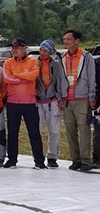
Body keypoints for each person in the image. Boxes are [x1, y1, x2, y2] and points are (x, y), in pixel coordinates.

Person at [3, 38, 46, 169]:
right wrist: (23, 77)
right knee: (12, 133)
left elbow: (33, 75)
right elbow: (6, 78)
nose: (14, 50)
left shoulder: (33, 61)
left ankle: (39, 161)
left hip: (29, 103)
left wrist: (16, 75)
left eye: (17, 47)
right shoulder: (7, 62)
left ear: (24, 48)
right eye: (13, 47)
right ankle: (11, 160)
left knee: (34, 132)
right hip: (12, 102)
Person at [60, 29, 97, 172]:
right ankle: (75, 160)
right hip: (67, 99)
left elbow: (92, 77)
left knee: (84, 129)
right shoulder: (62, 57)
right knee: (70, 130)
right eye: (64, 39)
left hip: (82, 99)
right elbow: (59, 79)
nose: (66, 42)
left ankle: (85, 161)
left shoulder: (86, 57)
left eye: (68, 39)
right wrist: (60, 96)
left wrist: (91, 97)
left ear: (76, 41)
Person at [36, 40, 65, 168]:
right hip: (37, 101)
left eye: (45, 51)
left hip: (53, 100)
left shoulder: (56, 65)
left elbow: (59, 81)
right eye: (41, 50)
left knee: (54, 131)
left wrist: (60, 98)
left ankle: (52, 156)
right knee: (36, 131)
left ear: (50, 52)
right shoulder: (34, 63)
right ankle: (37, 155)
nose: (42, 53)